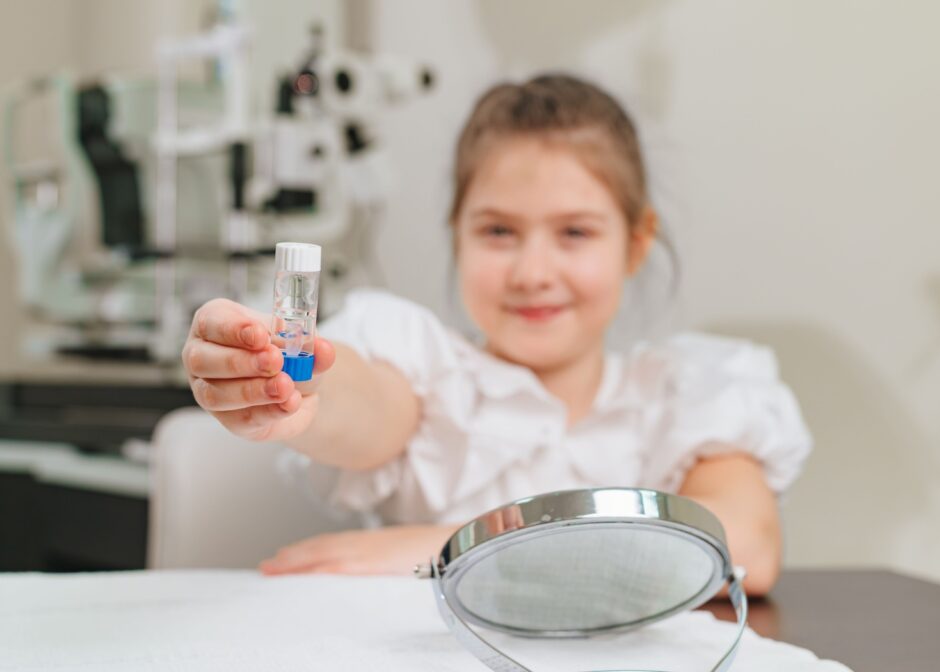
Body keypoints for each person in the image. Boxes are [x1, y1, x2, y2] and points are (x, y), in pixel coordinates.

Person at [181, 74, 811, 596]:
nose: (533, 274)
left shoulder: (687, 396)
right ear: (458, 232)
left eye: (575, 233)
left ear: (636, 243)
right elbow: (362, 404)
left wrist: (448, 547)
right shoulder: (432, 379)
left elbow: (745, 544)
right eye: (499, 232)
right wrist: (286, 385)